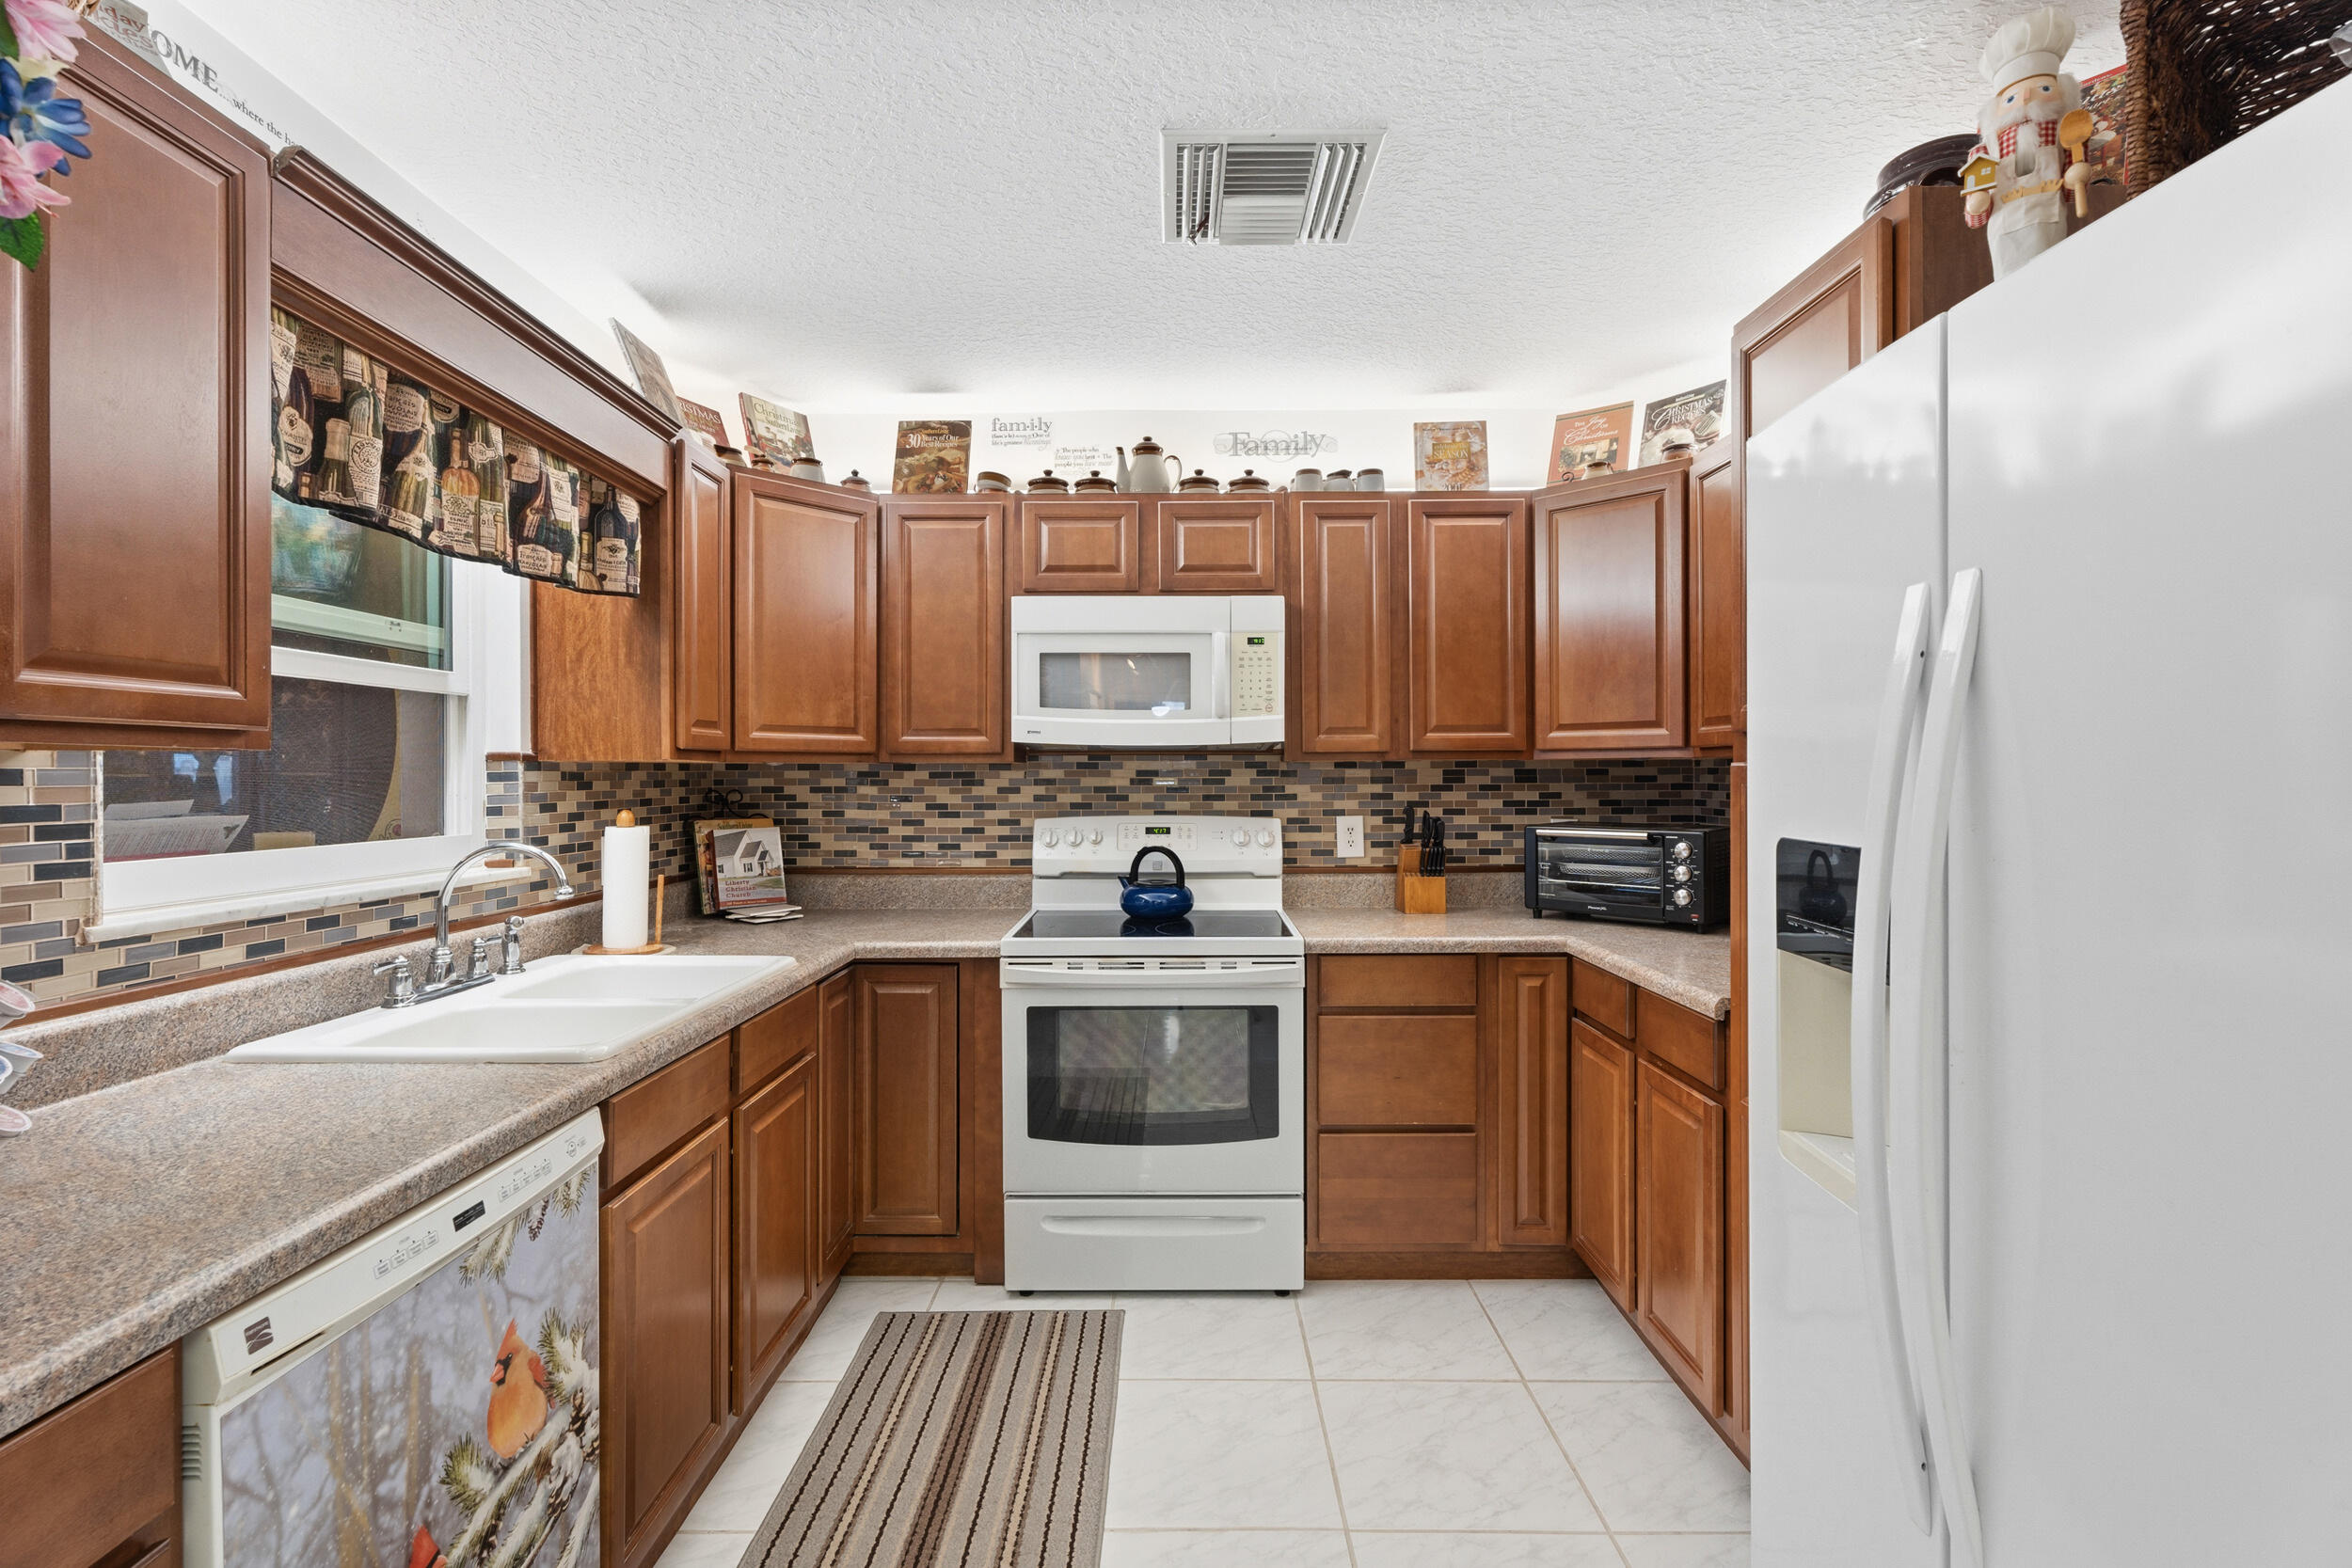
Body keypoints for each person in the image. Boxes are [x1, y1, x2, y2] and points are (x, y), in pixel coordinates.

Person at [1963, 7, 2094, 278]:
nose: (2023, 99)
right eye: (2011, 98)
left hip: (2047, 217)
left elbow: (2071, 193)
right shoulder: (1985, 149)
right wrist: (1976, 201)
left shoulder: (2065, 133)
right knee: (2009, 277)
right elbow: (1975, 216)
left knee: (2048, 271)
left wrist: (2076, 176)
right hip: (2004, 224)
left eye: (2044, 88)